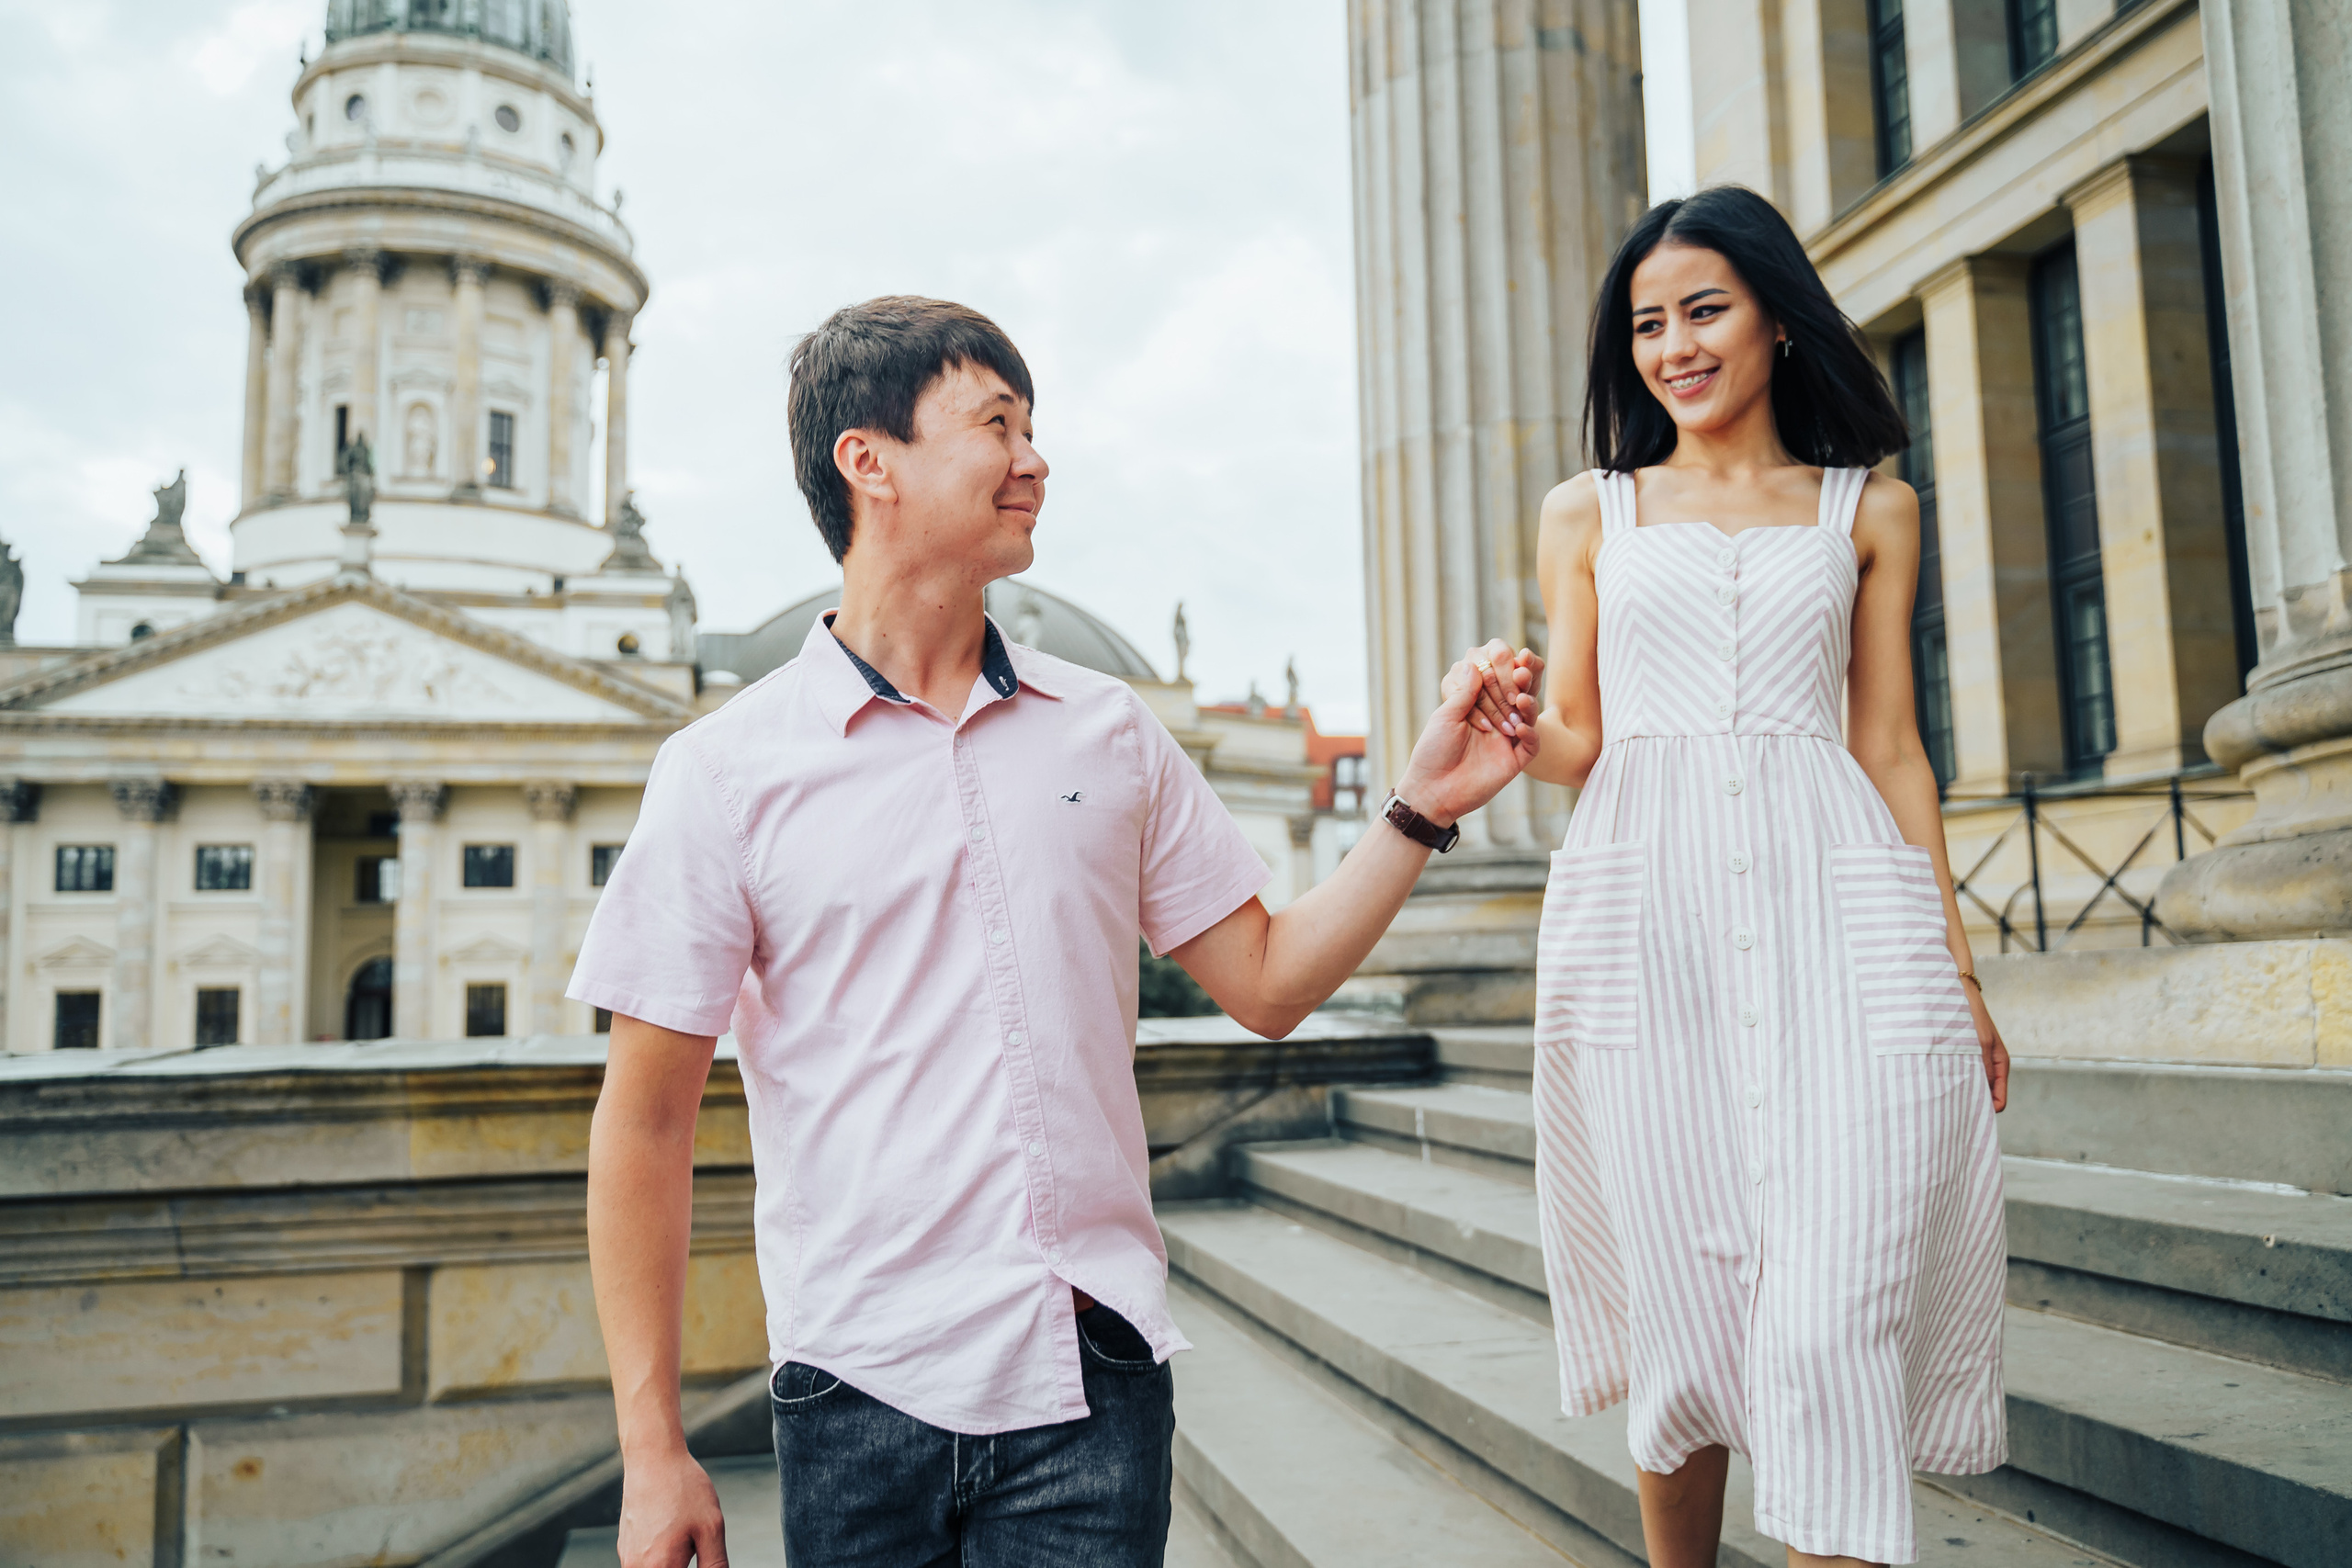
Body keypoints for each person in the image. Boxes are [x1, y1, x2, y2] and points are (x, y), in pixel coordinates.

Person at [569, 295, 1542, 1568]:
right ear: (870, 462)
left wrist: (1419, 807)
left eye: (1035, 427)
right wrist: (652, 1448)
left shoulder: (1110, 731)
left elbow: (1264, 982)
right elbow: (643, 1121)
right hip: (858, 1388)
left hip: (1093, 1380)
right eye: (996, 424)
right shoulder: (724, 772)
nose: (1036, 459)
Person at [1520, 187, 2011, 1568]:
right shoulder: (1589, 513)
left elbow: (1894, 749)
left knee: (1827, 1324)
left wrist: (1958, 975)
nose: (1673, 344)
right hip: (1645, 919)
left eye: (1703, 310)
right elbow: (1578, 740)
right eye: (1647, 324)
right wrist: (1500, 729)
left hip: (1839, 911)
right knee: (1686, 1312)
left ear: (1778, 322)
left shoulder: (1872, 508)